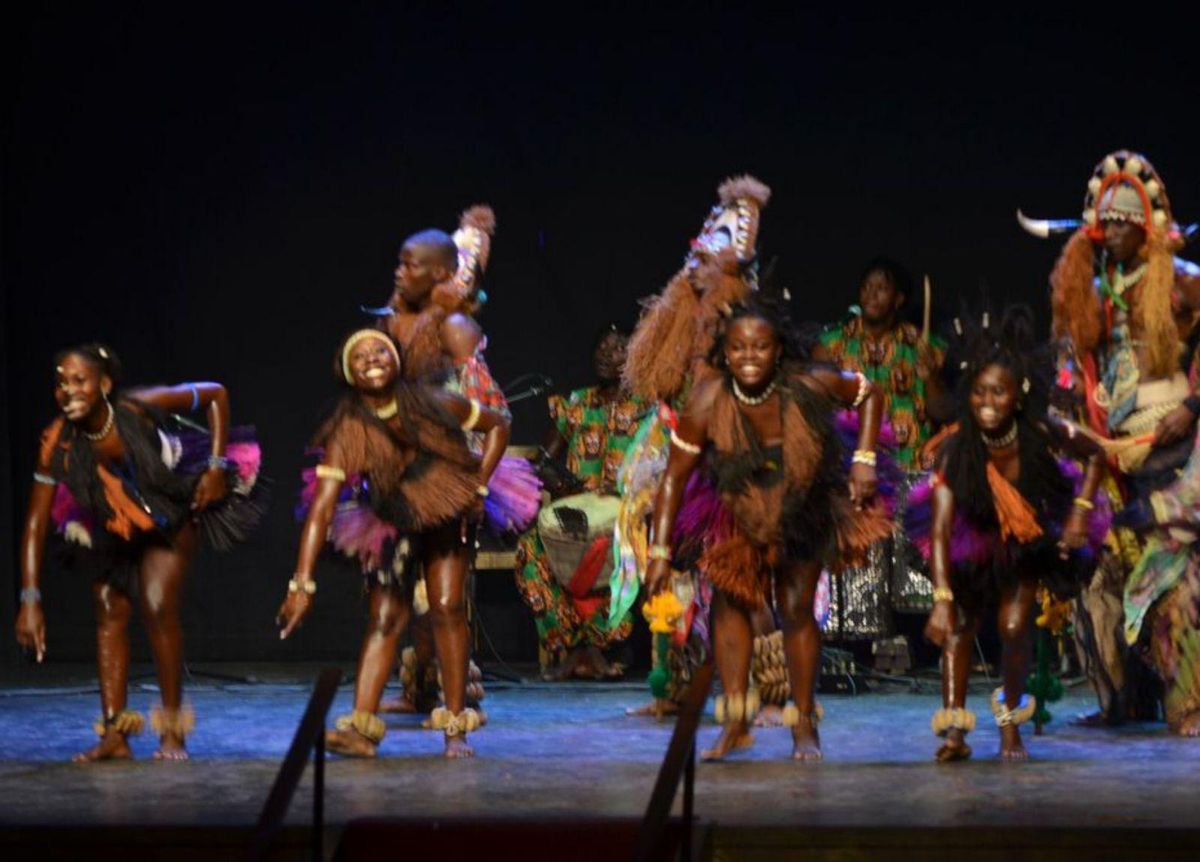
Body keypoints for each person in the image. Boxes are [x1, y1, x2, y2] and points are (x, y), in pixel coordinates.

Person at [645, 297, 889, 760]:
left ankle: (803, 725)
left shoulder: (809, 381)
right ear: (725, 351)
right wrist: (659, 552)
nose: (749, 357)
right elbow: (674, 477)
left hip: (801, 501)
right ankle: (735, 723)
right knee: (729, 600)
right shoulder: (707, 398)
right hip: (736, 502)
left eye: (760, 347)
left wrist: (864, 458)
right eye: (738, 348)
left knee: (795, 607)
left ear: (778, 350)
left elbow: (869, 392)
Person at [15, 343, 263, 761]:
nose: (68, 390)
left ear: (105, 384)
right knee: (108, 603)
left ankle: (172, 732)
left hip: (170, 511)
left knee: (156, 601)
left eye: (80, 380)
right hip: (115, 522)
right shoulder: (56, 441)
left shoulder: (138, 407)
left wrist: (218, 465)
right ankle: (115, 734)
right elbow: (36, 524)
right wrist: (30, 600)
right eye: (61, 383)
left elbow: (217, 394)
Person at [1024, 150, 1200, 734]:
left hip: (1175, 445)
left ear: (1147, 224)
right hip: (1112, 449)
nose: (1117, 230)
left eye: (1128, 220)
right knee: (1097, 579)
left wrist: (1194, 406)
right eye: (1110, 221)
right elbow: (1080, 374)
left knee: (1172, 579)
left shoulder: (1183, 282)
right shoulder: (1093, 292)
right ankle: (1120, 700)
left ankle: (1188, 702)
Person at [279, 329, 509, 758]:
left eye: (380, 350)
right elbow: (322, 510)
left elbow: (498, 426)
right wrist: (301, 583)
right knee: (385, 615)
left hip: (446, 505)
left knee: (446, 607)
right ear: (348, 372)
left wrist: (478, 488)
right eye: (360, 355)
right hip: (392, 514)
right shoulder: (347, 429)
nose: (372, 358)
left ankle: (455, 727)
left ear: (398, 361)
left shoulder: (432, 402)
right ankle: (361, 730)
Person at [907, 307, 1107, 760]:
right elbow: (939, 530)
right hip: (969, 543)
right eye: (978, 393)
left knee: (1015, 628)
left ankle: (1009, 723)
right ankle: (955, 733)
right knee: (959, 629)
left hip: (1023, 544)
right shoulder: (956, 451)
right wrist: (940, 599)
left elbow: (1094, 454)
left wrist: (1079, 512)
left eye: (998, 392)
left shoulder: (1040, 431)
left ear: (1017, 397)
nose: (987, 402)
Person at [614, 175, 771, 717]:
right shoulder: (677, 315)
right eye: (694, 261)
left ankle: (768, 692)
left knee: (742, 578)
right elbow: (657, 381)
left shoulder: (741, 323)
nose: (694, 269)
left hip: (731, 458)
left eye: (707, 263)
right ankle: (673, 691)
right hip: (673, 450)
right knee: (669, 572)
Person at [816, 257, 948, 639]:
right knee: (860, 552)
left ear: (899, 298)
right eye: (866, 287)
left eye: (882, 288)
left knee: (910, 555)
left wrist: (931, 376)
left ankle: (915, 637)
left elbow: (943, 411)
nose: (872, 295)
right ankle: (858, 640)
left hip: (908, 464)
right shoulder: (833, 343)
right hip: (854, 466)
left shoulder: (921, 345)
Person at [515, 325, 648, 679]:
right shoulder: (575, 404)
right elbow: (543, 459)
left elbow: (662, 464)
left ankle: (602, 646)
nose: (606, 354)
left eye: (618, 348)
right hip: (574, 514)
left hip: (627, 516)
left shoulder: (648, 407)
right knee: (530, 551)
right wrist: (566, 486)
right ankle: (571, 646)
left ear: (636, 354)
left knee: (619, 549)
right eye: (601, 349)